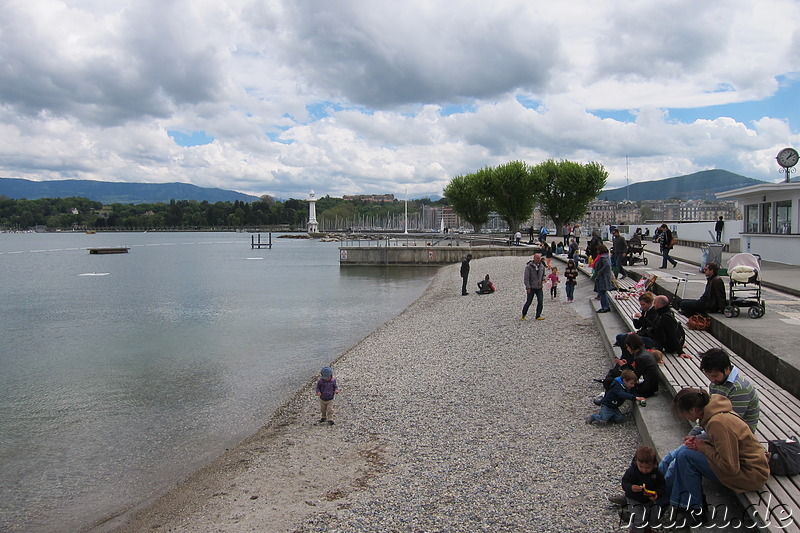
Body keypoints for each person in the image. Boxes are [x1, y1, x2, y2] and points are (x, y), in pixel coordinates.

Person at [658, 389, 769, 526]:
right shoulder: (715, 413)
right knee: (684, 452)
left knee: (685, 456)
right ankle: (667, 501)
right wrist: (702, 443)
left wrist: (703, 447)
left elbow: (729, 467)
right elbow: (724, 446)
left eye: (683, 413)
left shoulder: (717, 423)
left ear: (693, 410)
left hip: (750, 475)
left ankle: (692, 510)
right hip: (745, 467)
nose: (684, 416)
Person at [699, 348, 760, 432]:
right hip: (719, 424)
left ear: (727, 369)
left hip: (739, 433)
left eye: (715, 376)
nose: (712, 380)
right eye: (709, 376)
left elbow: (732, 422)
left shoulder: (740, 389)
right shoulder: (715, 384)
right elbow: (710, 411)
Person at [622, 446, 667, 533]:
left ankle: (649, 529)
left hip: (649, 499)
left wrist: (657, 493)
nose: (644, 470)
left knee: (653, 516)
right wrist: (631, 487)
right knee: (637, 517)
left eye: (647, 468)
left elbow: (662, 486)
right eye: (641, 466)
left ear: (654, 464)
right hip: (634, 499)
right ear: (637, 462)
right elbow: (624, 483)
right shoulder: (632, 472)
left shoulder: (656, 474)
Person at [521, 253, 546, 320]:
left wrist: (544, 279)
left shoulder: (541, 266)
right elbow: (526, 278)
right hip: (531, 288)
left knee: (540, 301)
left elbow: (544, 274)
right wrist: (528, 287)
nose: (538, 260)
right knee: (529, 302)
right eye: (537, 258)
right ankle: (523, 314)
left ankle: (538, 315)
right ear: (534, 258)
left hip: (539, 287)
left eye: (539, 258)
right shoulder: (528, 267)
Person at [594, 244, 614, 313]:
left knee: (602, 292)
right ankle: (605, 306)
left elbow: (607, 266)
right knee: (603, 292)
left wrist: (600, 272)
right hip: (605, 277)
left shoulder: (603, 258)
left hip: (603, 277)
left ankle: (605, 307)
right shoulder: (606, 256)